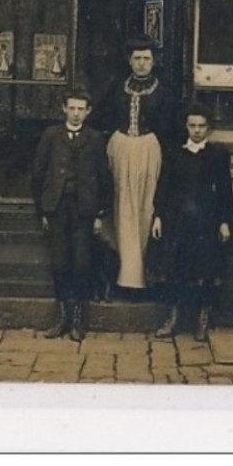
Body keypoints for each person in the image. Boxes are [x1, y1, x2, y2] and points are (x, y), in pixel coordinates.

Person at [31, 85, 112, 341]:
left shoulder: (96, 139)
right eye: (72, 108)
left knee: (81, 262)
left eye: (81, 109)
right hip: (57, 207)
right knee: (60, 261)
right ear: (64, 109)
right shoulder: (51, 136)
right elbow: (38, 173)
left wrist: (100, 213)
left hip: (84, 210)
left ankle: (78, 320)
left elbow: (103, 178)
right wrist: (43, 209)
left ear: (88, 112)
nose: (76, 114)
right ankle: (62, 318)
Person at [151, 101, 233, 343]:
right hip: (177, 219)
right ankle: (173, 319)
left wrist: (224, 221)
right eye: (192, 125)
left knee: (204, 271)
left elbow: (225, 191)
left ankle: (202, 321)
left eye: (201, 126)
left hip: (205, 220)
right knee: (175, 270)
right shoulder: (175, 153)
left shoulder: (217, 155)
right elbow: (163, 186)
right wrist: (157, 216)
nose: (196, 130)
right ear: (186, 127)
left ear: (208, 128)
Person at [93, 35, 169, 293]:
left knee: (144, 208)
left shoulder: (164, 91)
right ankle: (122, 276)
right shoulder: (116, 87)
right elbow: (102, 115)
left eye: (146, 58)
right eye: (137, 58)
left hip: (149, 150)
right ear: (129, 60)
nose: (142, 64)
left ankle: (142, 277)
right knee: (120, 206)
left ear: (154, 61)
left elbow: (170, 127)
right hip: (120, 149)